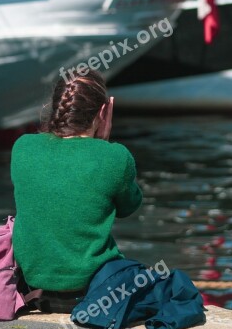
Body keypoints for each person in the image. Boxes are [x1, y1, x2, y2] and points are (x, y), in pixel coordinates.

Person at [10, 69, 142, 313]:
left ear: (56, 107)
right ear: (104, 112)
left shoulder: (23, 147)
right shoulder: (115, 157)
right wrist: (102, 146)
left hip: (33, 290)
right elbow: (129, 206)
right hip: (92, 292)